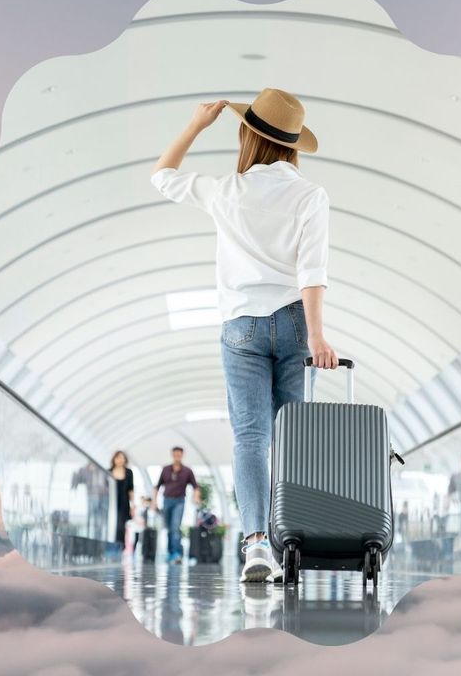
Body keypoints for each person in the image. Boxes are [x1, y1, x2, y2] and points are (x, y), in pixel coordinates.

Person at [150, 88, 337, 583]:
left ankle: (256, 545)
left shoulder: (226, 190)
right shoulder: (310, 196)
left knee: (250, 437)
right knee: (291, 437)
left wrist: (195, 125)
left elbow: (162, 175)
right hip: (295, 322)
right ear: (293, 145)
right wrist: (317, 337)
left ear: (247, 137)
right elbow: (312, 272)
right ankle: (293, 538)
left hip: (240, 328)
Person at [152, 446, 201, 564]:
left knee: (175, 526)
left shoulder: (187, 471)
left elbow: (196, 487)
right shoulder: (165, 469)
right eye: (175, 454)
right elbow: (157, 486)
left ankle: (177, 554)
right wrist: (154, 502)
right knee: (168, 528)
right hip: (166, 500)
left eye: (179, 454)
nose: (177, 456)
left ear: (182, 455)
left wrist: (196, 497)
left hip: (179, 501)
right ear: (172, 455)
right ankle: (170, 553)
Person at [110, 450, 135, 547]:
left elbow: (131, 490)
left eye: (122, 458)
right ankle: (111, 546)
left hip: (123, 503)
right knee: (112, 524)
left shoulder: (129, 472)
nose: (120, 460)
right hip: (112, 503)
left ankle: (119, 547)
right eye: (118, 457)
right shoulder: (109, 471)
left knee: (121, 526)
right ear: (114, 459)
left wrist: (133, 506)